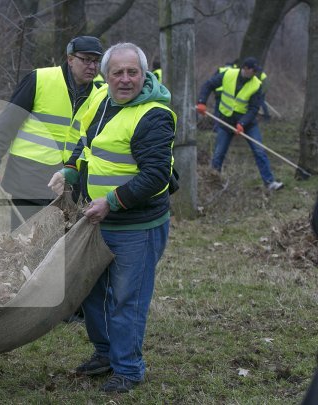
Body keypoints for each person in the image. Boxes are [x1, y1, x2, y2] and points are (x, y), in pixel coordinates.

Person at [48, 42, 176, 393]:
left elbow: (156, 176)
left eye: (132, 72)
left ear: (144, 74)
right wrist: (70, 172)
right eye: (117, 72)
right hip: (98, 220)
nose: (124, 79)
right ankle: (105, 354)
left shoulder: (154, 115)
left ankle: (128, 369)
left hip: (136, 225)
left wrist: (112, 201)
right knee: (92, 294)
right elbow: (86, 143)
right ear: (106, 76)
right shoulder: (103, 102)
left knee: (126, 299)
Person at [0, 35, 103, 230]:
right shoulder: (40, 79)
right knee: (24, 239)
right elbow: (9, 119)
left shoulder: (100, 93)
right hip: (29, 174)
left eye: (96, 61)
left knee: (60, 242)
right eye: (86, 59)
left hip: (70, 179)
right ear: (70, 59)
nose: (92, 66)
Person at [196, 57, 284, 191]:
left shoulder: (256, 84)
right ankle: (213, 182)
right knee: (219, 153)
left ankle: (270, 182)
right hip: (225, 121)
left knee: (259, 150)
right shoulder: (228, 74)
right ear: (246, 69)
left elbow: (254, 108)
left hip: (247, 124)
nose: (255, 73)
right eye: (253, 70)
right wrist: (202, 102)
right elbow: (208, 85)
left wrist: (242, 123)